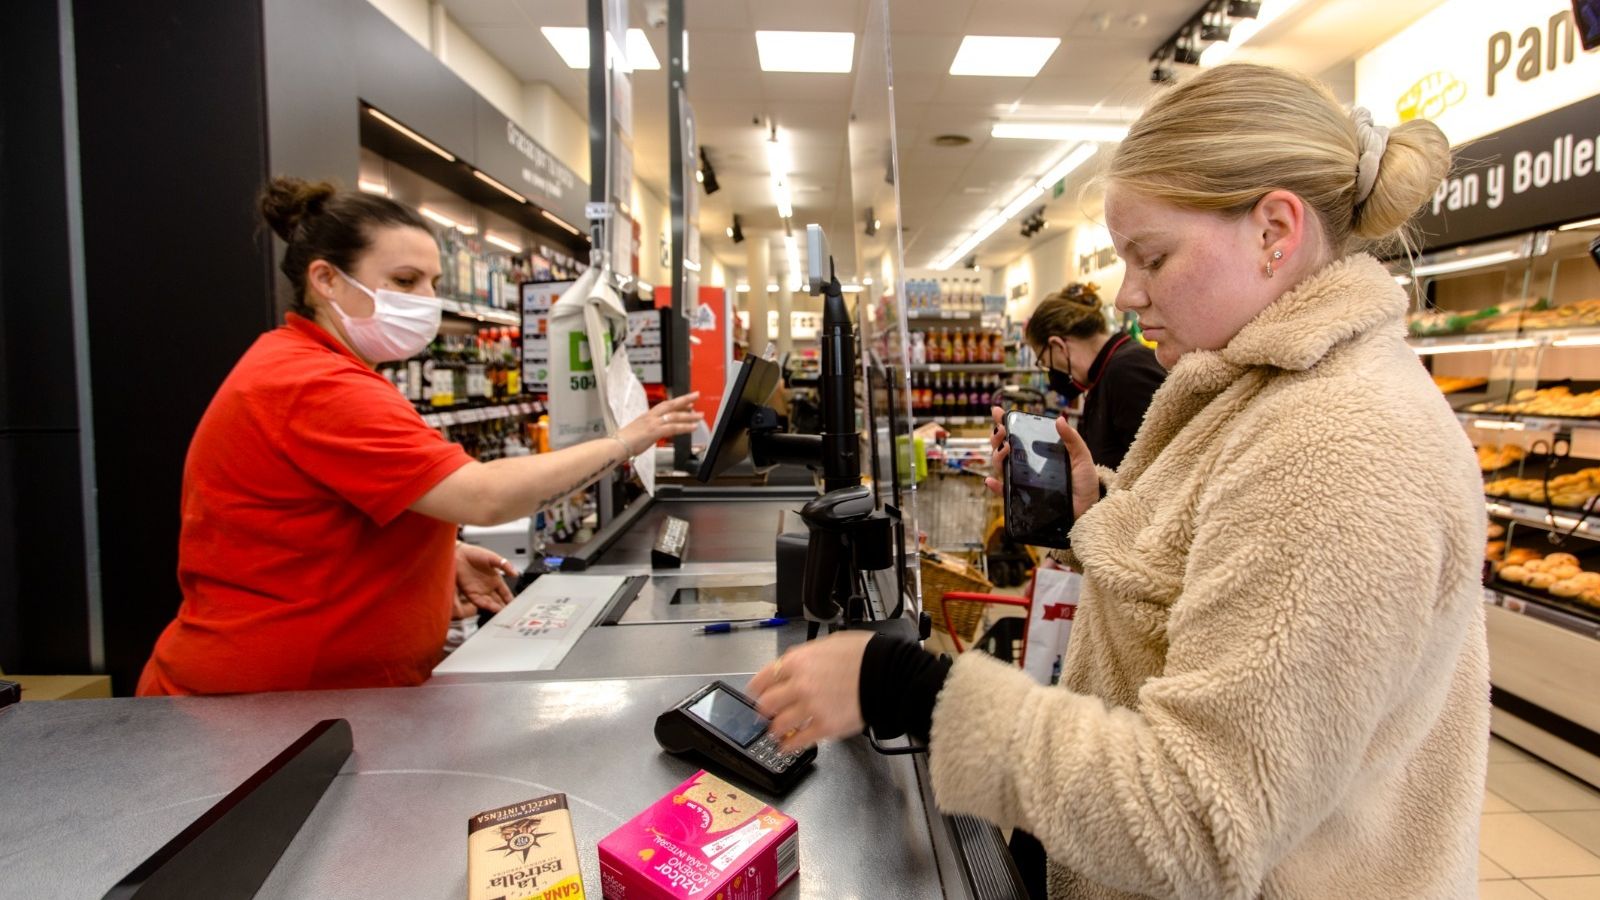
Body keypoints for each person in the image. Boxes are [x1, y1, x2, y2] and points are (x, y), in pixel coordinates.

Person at [750, 63, 1486, 898]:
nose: (1128, 296)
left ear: (1275, 230)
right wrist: (1092, 510)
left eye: (1153, 257)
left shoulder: (1344, 445)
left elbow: (1202, 818)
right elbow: (1210, 582)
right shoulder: (1266, 391)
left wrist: (910, 689)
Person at [138, 178, 699, 696]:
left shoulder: (318, 367)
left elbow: (320, 516)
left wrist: (433, 556)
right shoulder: (313, 384)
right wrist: (626, 440)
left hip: (314, 699)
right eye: (405, 281)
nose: (426, 299)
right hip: (266, 712)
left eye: (433, 282)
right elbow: (484, 495)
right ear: (326, 279)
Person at [1026, 282, 1165, 471]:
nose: (1049, 370)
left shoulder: (1126, 372)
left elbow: (1159, 473)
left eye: (1044, 361)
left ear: (1058, 345)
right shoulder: (1106, 374)